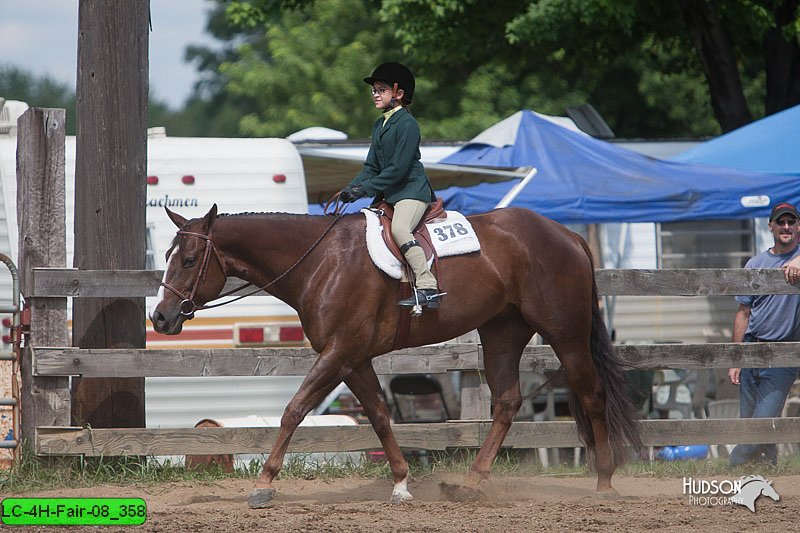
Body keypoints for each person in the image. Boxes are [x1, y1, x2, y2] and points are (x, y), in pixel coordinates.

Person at [338, 61, 441, 310]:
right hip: (391, 193)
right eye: (374, 90)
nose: (375, 94)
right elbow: (371, 166)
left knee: (400, 230)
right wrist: (351, 188)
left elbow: (398, 169)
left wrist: (366, 189)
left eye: (381, 89)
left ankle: (428, 287)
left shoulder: (407, 124)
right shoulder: (379, 125)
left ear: (399, 94)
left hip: (411, 191)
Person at [728, 201, 800, 466]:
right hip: (751, 349)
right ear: (770, 226)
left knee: (761, 421)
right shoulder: (755, 263)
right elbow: (742, 312)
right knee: (752, 420)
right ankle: (769, 469)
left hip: (783, 354)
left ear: (798, 226)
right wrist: (736, 359)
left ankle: (733, 466)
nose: (786, 226)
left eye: (791, 221)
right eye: (780, 222)